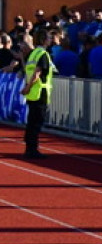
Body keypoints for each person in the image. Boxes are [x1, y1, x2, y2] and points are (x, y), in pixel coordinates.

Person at [19, 30, 54, 159]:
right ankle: (32, 149)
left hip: (32, 93)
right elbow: (37, 73)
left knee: (31, 121)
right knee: (37, 122)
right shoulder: (43, 54)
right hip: (40, 92)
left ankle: (29, 146)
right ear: (44, 39)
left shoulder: (33, 53)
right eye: (49, 37)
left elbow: (28, 71)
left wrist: (27, 88)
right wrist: (27, 87)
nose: (50, 39)